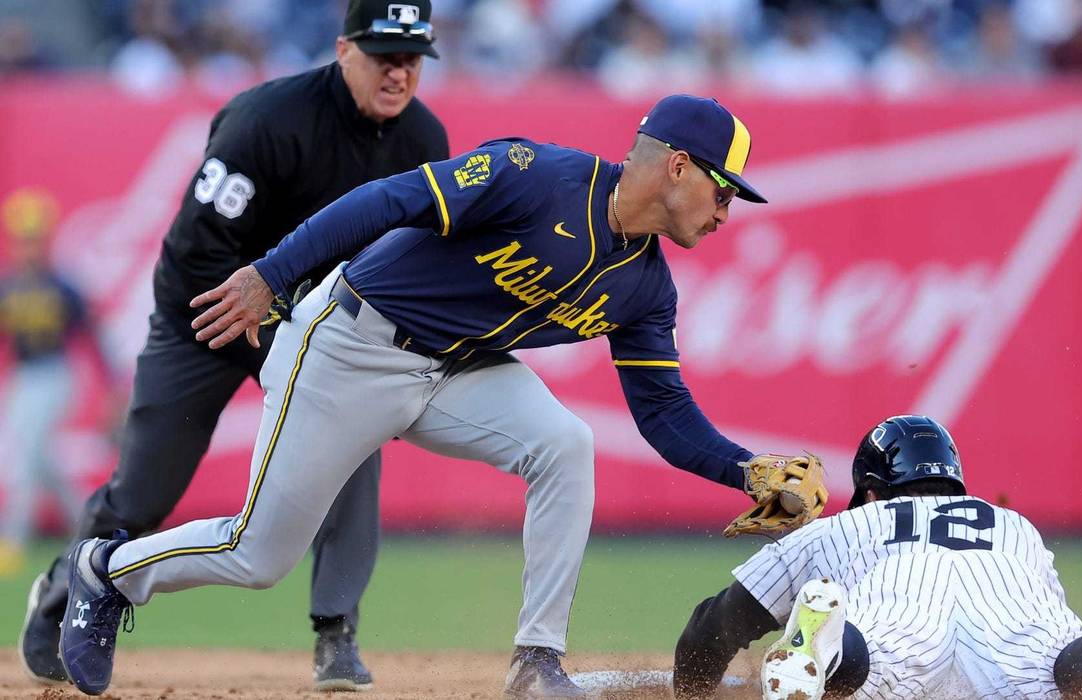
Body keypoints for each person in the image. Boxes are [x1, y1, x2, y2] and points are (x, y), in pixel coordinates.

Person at [53, 93, 804, 699]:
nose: (725, 212)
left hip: (457, 370)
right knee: (259, 556)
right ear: (677, 166)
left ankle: (535, 660)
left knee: (566, 446)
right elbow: (386, 200)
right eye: (723, 189)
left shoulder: (645, 287)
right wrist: (271, 274)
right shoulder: (537, 175)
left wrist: (742, 471)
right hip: (351, 346)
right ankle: (105, 569)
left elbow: (663, 413)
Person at [19, 0, 448, 692]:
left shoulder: (424, 140)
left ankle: (336, 628)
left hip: (308, 328)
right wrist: (271, 320)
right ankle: (72, 583)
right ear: (342, 51)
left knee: (353, 438)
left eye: (410, 59)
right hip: (203, 314)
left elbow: (416, 262)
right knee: (145, 491)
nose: (397, 73)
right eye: (381, 55)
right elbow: (194, 250)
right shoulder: (268, 120)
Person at [671, 415, 1082, 700]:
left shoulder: (847, 524)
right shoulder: (1014, 526)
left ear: (872, 491)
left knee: (867, 665)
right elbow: (1048, 623)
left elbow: (714, 624)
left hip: (901, 634)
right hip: (1007, 633)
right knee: (1055, 653)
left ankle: (827, 646)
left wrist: (691, 692)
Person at [0, 189, 112, 575]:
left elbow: (93, 335)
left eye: (34, 239)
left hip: (56, 374)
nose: (28, 247)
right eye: (22, 239)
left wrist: (112, 386)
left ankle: (12, 541)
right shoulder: (9, 285)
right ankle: (88, 526)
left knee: (26, 454)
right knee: (40, 460)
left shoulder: (61, 284)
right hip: (23, 378)